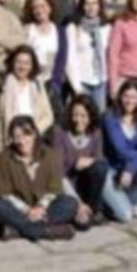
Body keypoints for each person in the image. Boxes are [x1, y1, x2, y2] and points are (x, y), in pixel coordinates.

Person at [0, 116, 78, 241]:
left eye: (26, 135)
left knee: (70, 203)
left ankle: (18, 230)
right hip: (19, 208)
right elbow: (4, 193)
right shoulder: (5, 158)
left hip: (44, 207)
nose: (22, 141)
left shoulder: (49, 155)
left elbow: (55, 189)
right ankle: (46, 231)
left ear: (35, 134)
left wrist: (40, 208)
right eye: (17, 137)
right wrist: (27, 210)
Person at [51, 96, 112, 228]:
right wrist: (78, 203)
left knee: (100, 167)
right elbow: (58, 173)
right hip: (66, 186)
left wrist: (91, 160)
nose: (78, 120)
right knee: (83, 226)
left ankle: (94, 209)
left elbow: (101, 162)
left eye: (84, 116)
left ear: (91, 117)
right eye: (75, 115)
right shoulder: (60, 132)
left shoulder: (96, 133)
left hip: (86, 186)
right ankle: (81, 211)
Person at [102, 81, 137, 219]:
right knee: (126, 216)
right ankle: (115, 205)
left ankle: (130, 203)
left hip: (127, 167)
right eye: (126, 96)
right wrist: (131, 166)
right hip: (111, 167)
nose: (129, 101)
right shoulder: (110, 116)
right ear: (120, 96)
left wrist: (130, 168)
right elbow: (119, 150)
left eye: (134, 97)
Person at [0, 45, 54, 154]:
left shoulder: (36, 83)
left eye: (26, 63)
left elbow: (48, 116)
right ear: (13, 63)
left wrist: (32, 132)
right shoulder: (4, 82)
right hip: (10, 139)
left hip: (34, 137)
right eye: (19, 62)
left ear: (32, 65)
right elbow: (0, 118)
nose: (22, 67)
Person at [22, 0, 68, 119]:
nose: (39, 10)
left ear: (50, 8)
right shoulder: (27, 30)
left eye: (42, 6)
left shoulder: (59, 31)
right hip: (31, 81)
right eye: (35, 7)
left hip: (52, 83)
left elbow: (62, 58)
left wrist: (55, 83)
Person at [66, 0, 111, 112]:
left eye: (94, 3)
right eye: (87, 3)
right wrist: (76, 87)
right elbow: (70, 58)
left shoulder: (106, 28)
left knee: (99, 117)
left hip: (100, 80)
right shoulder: (73, 28)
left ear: (99, 6)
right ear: (82, 6)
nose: (91, 7)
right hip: (82, 80)